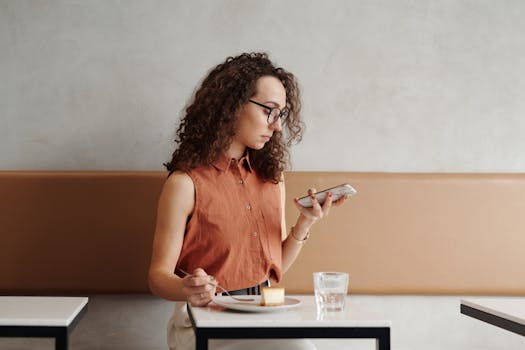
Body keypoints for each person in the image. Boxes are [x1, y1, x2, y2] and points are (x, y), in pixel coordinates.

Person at [148, 52, 347, 350]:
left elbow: (274, 266)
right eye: (269, 110)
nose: (277, 125)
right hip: (204, 318)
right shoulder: (185, 184)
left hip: (262, 312)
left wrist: (305, 222)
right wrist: (188, 288)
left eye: (280, 114)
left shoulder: (272, 179)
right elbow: (157, 277)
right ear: (231, 106)